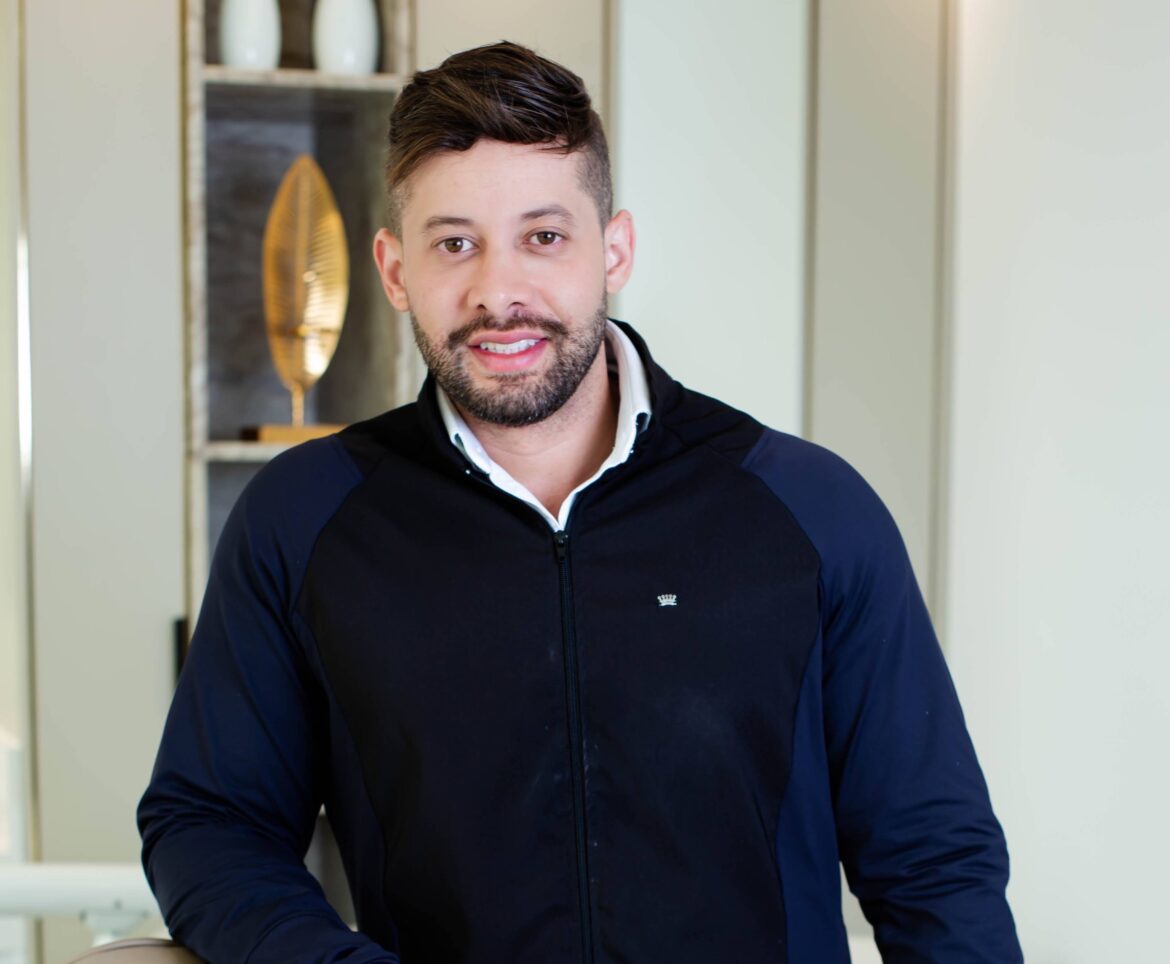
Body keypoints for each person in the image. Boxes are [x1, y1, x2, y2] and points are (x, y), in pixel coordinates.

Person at [139, 41, 1022, 964]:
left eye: (544, 236)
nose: (499, 293)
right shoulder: (303, 519)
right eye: (454, 244)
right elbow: (211, 822)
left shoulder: (809, 509)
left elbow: (935, 863)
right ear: (395, 270)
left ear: (615, 249)